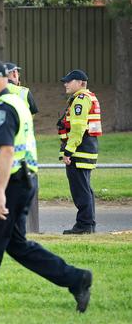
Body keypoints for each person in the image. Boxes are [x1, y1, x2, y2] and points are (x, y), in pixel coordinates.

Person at [0, 59, 92, 315]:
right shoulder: (16, 102)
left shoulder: (3, 108)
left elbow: (7, 151)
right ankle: (76, 279)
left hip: (10, 183)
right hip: (23, 181)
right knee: (17, 245)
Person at [57, 69, 101, 235]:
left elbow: (78, 128)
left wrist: (68, 151)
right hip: (86, 149)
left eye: (69, 81)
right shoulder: (87, 97)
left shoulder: (80, 100)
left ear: (81, 83)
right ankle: (88, 225)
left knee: (80, 191)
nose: (65, 84)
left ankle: (83, 226)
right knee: (85, 189)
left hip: (79, 151)